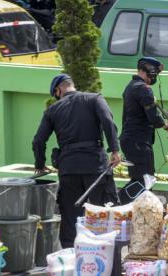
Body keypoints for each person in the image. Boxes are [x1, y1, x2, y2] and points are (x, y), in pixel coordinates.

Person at [32, 73, 121, 248]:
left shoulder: (52, 110)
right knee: (101, 213)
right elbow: (108, 122)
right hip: (95, 167)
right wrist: (115, 150)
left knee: (71, 217)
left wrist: (40, 164)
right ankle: (104, 256)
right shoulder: (94, 98)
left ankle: (71, 259)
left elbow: (38, 141)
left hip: (68, 169)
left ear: (58, 90)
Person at [118, 57, 168, 203]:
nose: (155, 77)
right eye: (155, 73)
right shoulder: (143, 88)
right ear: (150, 72)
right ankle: (115, 204)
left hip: (132, 140)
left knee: (142, 179)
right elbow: (153, 118)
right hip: (138, 141)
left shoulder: (131, 86)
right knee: (144, 180)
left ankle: (138, 212)